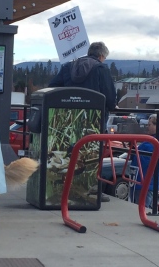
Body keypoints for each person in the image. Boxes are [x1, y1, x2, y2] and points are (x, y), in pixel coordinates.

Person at [48, 41, 117, 202]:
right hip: (95, 119)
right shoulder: (101, 68)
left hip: (69, 120)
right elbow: (110, 97)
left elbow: (53, 87)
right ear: (101, 56)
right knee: (93, 152)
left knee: (70, 150)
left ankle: (65, 186)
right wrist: (112, 105)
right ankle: (90, 188)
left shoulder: (68, 67)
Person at [129, 114, 159, 208]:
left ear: (157, 126)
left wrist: (134, 150)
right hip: (149, 182)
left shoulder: (153, 144)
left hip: (144, 182)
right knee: (146, 208)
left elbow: (140, 160)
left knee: (142, 208)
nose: (148, 127)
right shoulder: (157, 142)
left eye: (150, 124)